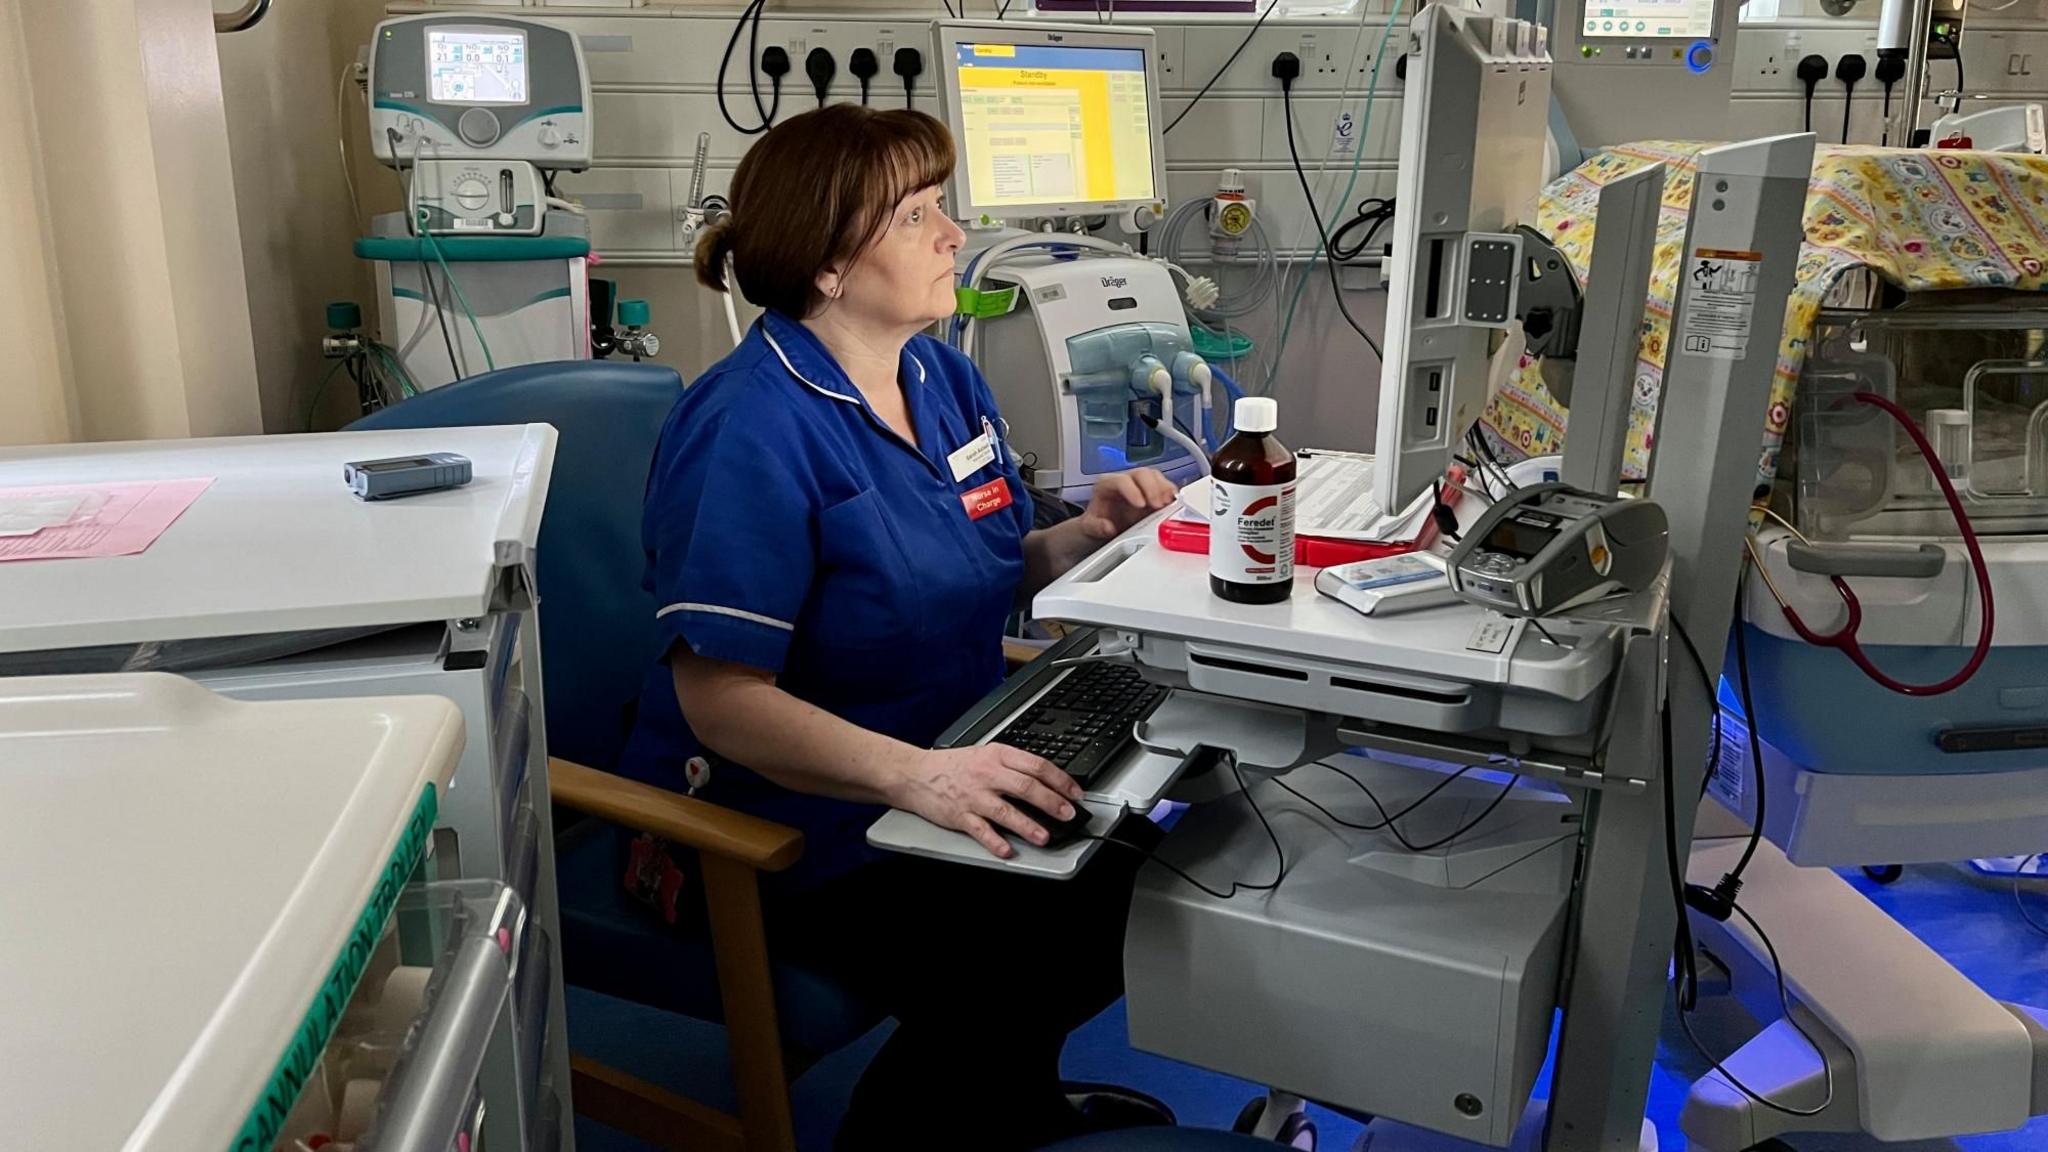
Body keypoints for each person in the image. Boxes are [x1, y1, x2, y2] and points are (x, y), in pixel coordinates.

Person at [615, 103, 1180, 1151]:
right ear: (829, 264)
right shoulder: (750, 426)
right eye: (916, 214)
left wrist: (1082, 536)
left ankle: (1002, 1107)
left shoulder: (940, 376)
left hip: (942, 757)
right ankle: (927, 1127)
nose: (951, 233)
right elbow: (719, 696)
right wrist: (918, 778)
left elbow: (968, 569)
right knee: (1027, 942)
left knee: (1135, 866)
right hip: (786, 825)